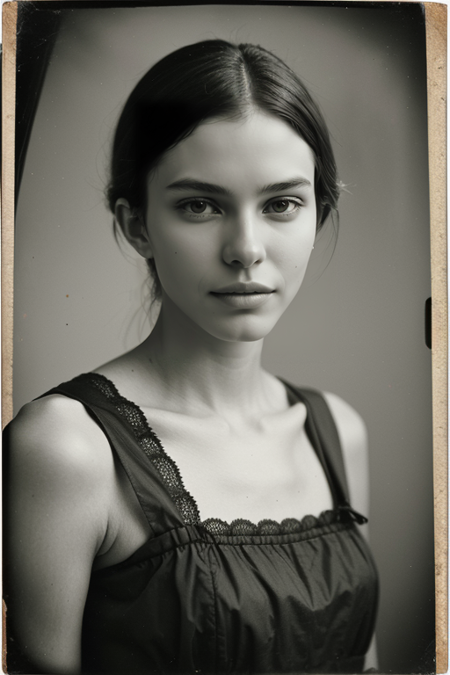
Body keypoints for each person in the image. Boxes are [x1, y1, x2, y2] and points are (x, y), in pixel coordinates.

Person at [4, 39, 378, 674]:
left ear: (320, 212)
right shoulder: (65, 450)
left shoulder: (337, 429)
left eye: (282, 204)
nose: (246, 249)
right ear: (136, 223)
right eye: (199, 205)